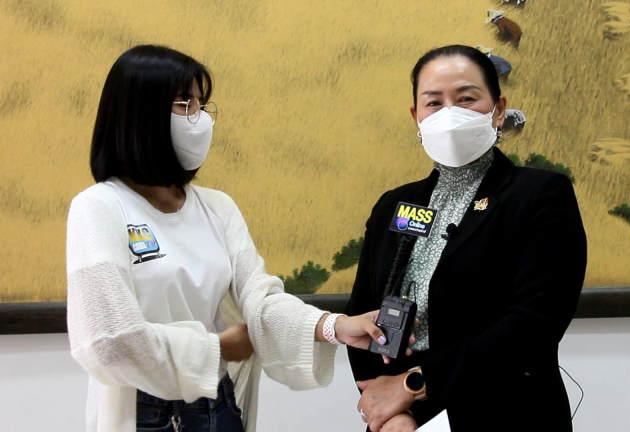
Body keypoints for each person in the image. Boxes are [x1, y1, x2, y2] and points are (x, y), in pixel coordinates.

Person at [66, 45, 389, 432]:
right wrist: (215, 347)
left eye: (201, 105)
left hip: (216, 400)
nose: (200, 119)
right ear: (139, 113)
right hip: (143, 409)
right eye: (185, 104)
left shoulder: (217, 207)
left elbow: (259, 300)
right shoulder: (99, 207)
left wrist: (335, 326)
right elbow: (108, 340)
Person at [346, 45, 587, 432]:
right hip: (402, 420)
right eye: (433, 103)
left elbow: (535, 322)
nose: (449, 114)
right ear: (416, 117)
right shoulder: (394, 204)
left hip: (507, 412)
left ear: (498, 110)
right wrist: (389, 410)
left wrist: (413, 386)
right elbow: (362, 312)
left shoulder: (539, 195)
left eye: (466, 99)